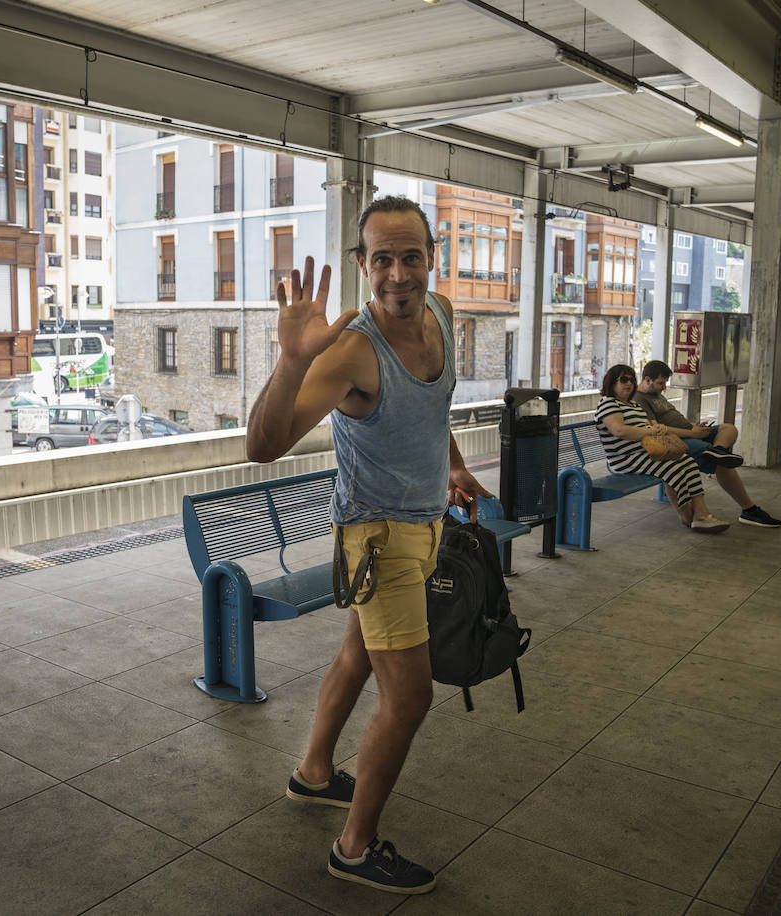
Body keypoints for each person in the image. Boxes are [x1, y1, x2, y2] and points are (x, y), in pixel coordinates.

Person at [245, 196, 487, 895]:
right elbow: (262, 445)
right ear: (362, 265)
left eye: (411, 255)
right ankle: (353, 847)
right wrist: (292, 359)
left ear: (431, 257)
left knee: (358, 654)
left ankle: (314, 772)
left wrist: (454, 464)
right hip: (375, 540)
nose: (399, 274)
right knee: (408, 700)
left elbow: (430, 409)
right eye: (382, 258)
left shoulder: (440, 312)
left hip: (424, 525)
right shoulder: (351, 351)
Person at [632, 360, 781, 528]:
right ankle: (749, 510)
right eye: (661, 383)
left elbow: (672, 419)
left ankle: (718, 450)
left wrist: (694, 426)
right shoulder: (640, 399)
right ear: (647, 380)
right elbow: (658, 430)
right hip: (678, 441)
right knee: (721, 464)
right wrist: (692, 433)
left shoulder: (655, 394)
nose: (664, 387)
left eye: (665, 382)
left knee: (728, 428)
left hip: (691, 433)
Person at [595, 364, 730, 533]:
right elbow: (619, 430)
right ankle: (687, 515)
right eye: (623, 379)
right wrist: (650, 430)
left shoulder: (634, 406)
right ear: (611, 382)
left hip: (645, 453)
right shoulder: (608, 403)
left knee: (688, 462)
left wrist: (657, 428)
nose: (628, 383)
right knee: (672, 468)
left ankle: (701, 513)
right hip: (626, 458)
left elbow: (651, 425)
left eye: (631, 379)